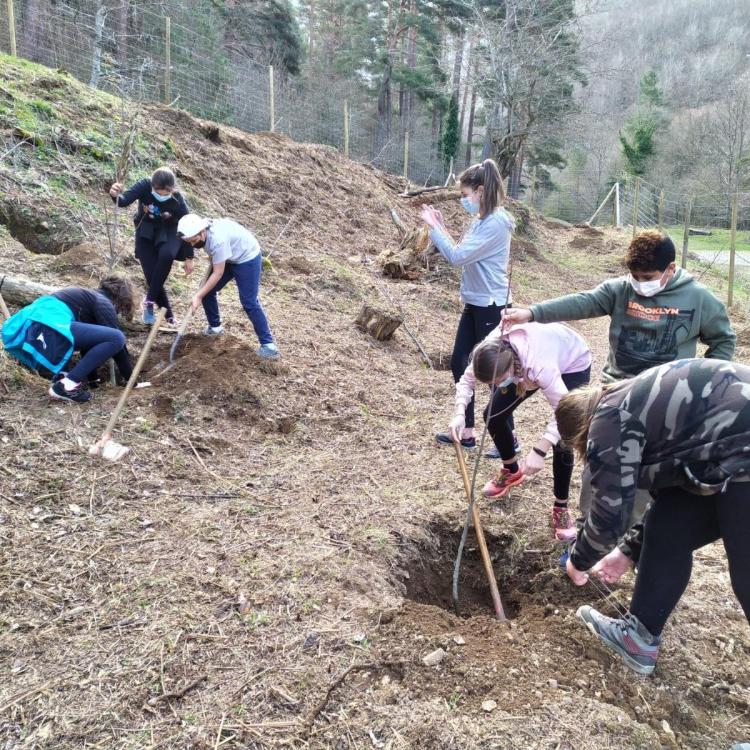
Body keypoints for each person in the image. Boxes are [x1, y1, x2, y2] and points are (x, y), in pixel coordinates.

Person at [502, 230, 736, 546]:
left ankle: (628, 543)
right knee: (599, 463)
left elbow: (723, 339)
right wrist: (532, 313)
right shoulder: (622, 291)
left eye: (648, 276)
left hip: (662, 402)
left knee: (644, 472)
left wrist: (702, 380)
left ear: (670, 269)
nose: (641, 282)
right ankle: (586, 534)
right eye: (635, 275)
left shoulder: (698, 299)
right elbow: (583, 302)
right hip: (614, 394)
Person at [556, 358, 750, 675]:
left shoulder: (608, 420)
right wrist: (628, 551)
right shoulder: (631, 401)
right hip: (728, 452)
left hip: (742, 447)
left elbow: (610, 515)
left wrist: (578, 560)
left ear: (581, 433)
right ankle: (638, 639)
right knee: (669, 526)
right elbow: (677, 485)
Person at [449, 321, 591, 537]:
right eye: (492, 382)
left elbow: (566, 415)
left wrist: (540, 450)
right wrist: (460, 412)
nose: (497, 386)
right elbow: (467, 381)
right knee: (492, 415)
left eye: (501, 380)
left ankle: (561, 506)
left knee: (565, 438)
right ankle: (512, 470)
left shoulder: (539, 365)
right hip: (525, 362)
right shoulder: (486, 352)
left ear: (510, 368)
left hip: (572, 359)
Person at [420, 159, 515, 452]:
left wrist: (435, 228)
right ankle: (468, 430)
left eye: (465, 195)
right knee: (460, 361)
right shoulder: (481, 220)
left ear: (480, 190)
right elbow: (462, 252)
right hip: (475, 301)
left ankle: (508, 437)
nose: (463, 200)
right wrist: (441, 228)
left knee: (493, 371)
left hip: (491, 304)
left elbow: (458, 257)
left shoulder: (496, 223)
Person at [1, 277, 136, 404]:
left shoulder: (85, 298)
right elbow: (119, 346)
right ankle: (66, 385)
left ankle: (63, 378)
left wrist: (93, 381)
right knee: (116, 337)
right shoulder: (103, 302)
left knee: (99, 337)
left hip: (31, 326)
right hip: (48, 324)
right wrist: (132, 380)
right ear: (121, 298)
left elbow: (88, 343)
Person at [176, 214, 280, 359]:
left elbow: (217, 274)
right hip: (229, 256)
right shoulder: (203, 234)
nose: (192, 244)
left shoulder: (218, 240)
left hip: (247, 257)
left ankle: (269, 346)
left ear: (202, 231)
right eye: (189, 242)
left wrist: (198, 295)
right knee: (207, 290)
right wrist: (201, 292)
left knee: (249, 302)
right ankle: (215, 328)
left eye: (194, 240)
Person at [109, 167, 193, 325]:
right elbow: (124, 200)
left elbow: (187, 226)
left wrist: (189, 257)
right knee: (152, 274)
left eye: (165, 193)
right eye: (158, 192)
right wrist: (115, 194)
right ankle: (168, 315)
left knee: (167, 255)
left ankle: (149, 301)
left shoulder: (178, 199)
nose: (161, 196)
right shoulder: (144, 185)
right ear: (152, 185)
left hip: (170, 231)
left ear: (172, 189)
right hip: (146, 231)